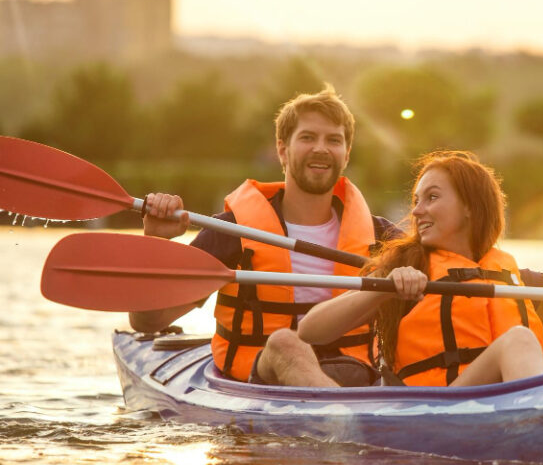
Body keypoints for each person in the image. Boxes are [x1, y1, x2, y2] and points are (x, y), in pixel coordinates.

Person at [298, 151, 543, 387]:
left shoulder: (523, 282)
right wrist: (383, 289)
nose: (416, 211)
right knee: (518, 340)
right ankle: (540, 422)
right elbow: (311, 331)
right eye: (416, 200)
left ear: (470, 206)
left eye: (433, 197)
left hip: (522, 401)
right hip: (445, 406)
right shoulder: (403, 269)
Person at [129, 89, 399, 387]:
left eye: (333, 140)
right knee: (285, 343)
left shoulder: (383, 238)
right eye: (308, 138)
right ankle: (346, 424)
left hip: (353, 372)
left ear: (346, 154)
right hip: (261, 375)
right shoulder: (234, 232)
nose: (321, 148)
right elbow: (148, 322)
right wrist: (154, 242)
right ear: (282, 150)